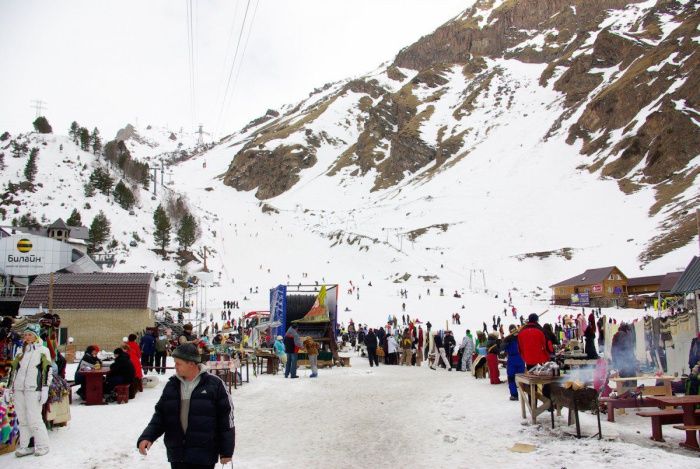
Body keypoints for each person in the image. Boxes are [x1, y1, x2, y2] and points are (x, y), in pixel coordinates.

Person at [137, 343, 234, 468]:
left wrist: (226, 451)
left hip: (204, 455)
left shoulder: (215, 385)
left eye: (178, 363)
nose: (175, 367)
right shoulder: (172, 385)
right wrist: (147, 437)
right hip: (178, 454)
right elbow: (160, 415)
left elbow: (226, 419)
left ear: (191, 363)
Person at [8, 324, 52, 457]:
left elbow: (47, 371)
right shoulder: (20, 351)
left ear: (36, 336)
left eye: (30, 334)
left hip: (34, 389)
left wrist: (44, 389)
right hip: (19, 389)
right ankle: (26, 446)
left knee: (34, 418)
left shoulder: (43, 350)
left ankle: (43, 445)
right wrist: (9, 388)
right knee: (22, 419)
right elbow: (13, 370)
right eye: (25, 334)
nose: (27, 337)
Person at [502, 325, 525, 400]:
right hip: (520, 358)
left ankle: (514, 395)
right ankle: (523, 394)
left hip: (512, 359)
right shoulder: (520, 337)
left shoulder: (508, 339)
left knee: (511, 378)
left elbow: (502, 348)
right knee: (521, 378)